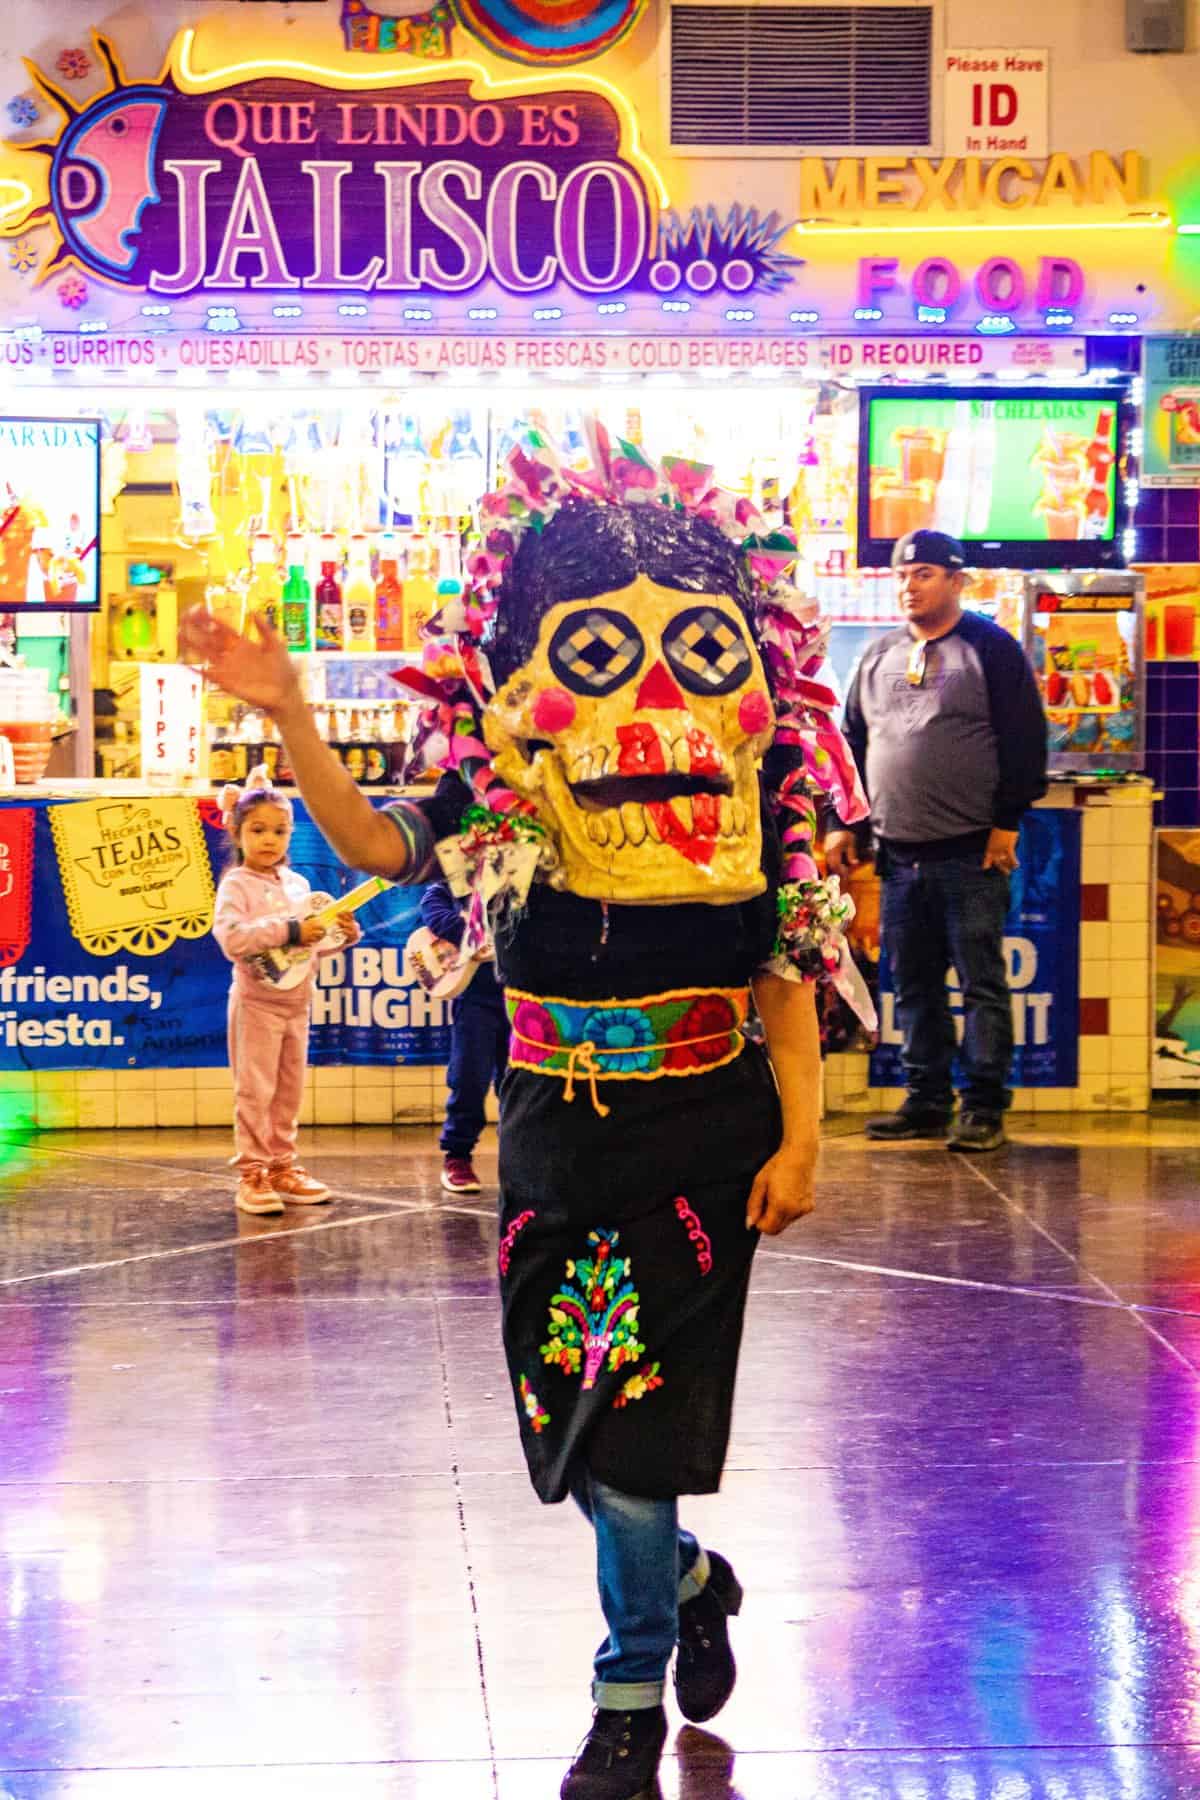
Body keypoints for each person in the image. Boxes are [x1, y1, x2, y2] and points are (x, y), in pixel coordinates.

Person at [184, 432, 871, 1800]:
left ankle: (624, 1700)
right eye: (603, 652)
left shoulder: (759, 804)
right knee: (574, 1419)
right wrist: (291, 716)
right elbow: (378, 848)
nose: (665, 694)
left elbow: (787, 987)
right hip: (557, 1127)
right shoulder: (503, 797)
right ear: (514, 676)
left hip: (708, 1136)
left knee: (635, 1431)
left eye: (705, 649)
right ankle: (689, 1581)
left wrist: (803, 1138)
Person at [825, 529, 1048, 1154]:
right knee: (914, 985)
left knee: (980, 983)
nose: (908, 585)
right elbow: (852, 746)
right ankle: (926, 1101)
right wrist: (844, 823)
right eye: (902, 575)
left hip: (971, 851)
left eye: (923, 573)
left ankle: (983, 1108)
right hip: (898, 855)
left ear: (957, 581)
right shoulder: (877, 656)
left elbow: (1026, 740)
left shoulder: (991, 650)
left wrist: (1008, 820)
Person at [212, 766, 362, 1216]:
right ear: (238, 833)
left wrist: (341, 933)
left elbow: (307, 951)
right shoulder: (236, 885)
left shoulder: (298, 885)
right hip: (256, 1004)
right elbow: (233, 939)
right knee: (254, 1090)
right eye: (258, 830)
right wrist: (293, 928)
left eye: (279, 831)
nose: (269, 840)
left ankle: (282, 1166)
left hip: (297, 1004)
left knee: (289, 1090)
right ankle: (252, 1173)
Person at [419, 871, 509, 1194]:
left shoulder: (520, 886)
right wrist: (475, 935)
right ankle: (457, 1156)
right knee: (468, 1077)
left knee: (518, 1083)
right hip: (475, 1000)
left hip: (519, 998)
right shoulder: (444, 890)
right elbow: (435, 913)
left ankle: (517, 1158)